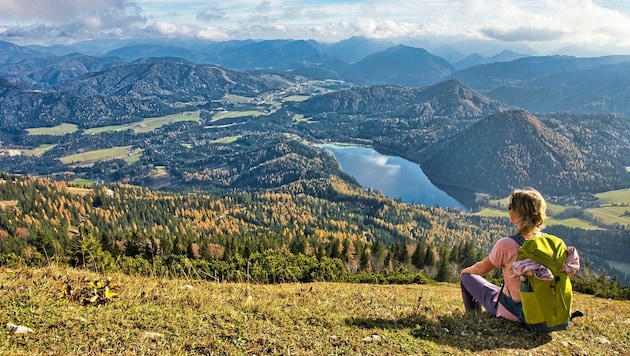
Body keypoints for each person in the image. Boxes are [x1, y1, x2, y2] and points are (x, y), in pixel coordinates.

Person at [459, 188, 548, 323]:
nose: (509, 210)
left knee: (467, 277)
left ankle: (473, 317)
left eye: (510, 207)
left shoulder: (507, 244)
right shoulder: (547, 242)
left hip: (515, 312)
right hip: (541, 312)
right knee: (497, 290)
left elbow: (482, 269)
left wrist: (465, 271)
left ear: (518, 214)